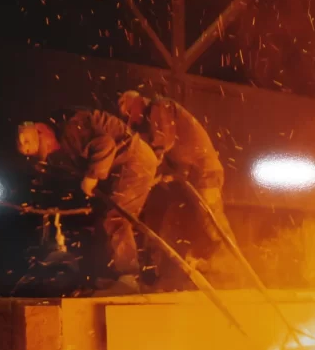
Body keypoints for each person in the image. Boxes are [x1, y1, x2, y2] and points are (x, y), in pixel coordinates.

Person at [16, 110, 159, 291]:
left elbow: (105, 145)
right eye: (26, 150)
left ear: (41, 130)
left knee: (116, 219)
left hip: (134, 161)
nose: (26, 148)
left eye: (27, 141)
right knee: (105, 219)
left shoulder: (71, 130)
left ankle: (129, 279)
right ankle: (115, 276)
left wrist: (92, 176)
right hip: (127, 164)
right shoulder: (67, 141)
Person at [116, 91, 236, 251]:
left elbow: (163, 142)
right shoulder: (155, 117)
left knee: (213, 223)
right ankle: (205, 265)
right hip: (193, 176)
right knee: (180, 222)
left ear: (137, 105)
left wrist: (145, 172)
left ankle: (231, 265)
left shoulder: (160, 107)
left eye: (131, 113)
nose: (134, 121)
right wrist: (162, 176)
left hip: (205, 172)